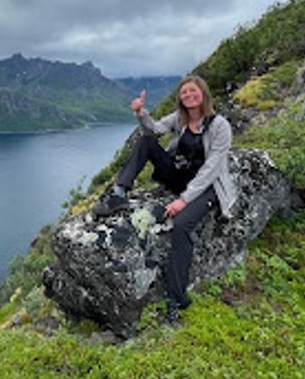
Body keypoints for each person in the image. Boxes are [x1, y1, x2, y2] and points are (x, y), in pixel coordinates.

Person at [92, 75, 238, 325]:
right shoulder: (180, 118)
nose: (188, 96)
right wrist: (141, 113)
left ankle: (176, 299)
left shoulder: (219, 126)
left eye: (193, 91)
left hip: (207, 187)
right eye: (184, 93)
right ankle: (118, 193)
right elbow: (154, 130)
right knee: (146, 142)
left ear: (203, 93)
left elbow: (212, 168)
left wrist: (184, 199)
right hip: (180, 177)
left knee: (181, 225)